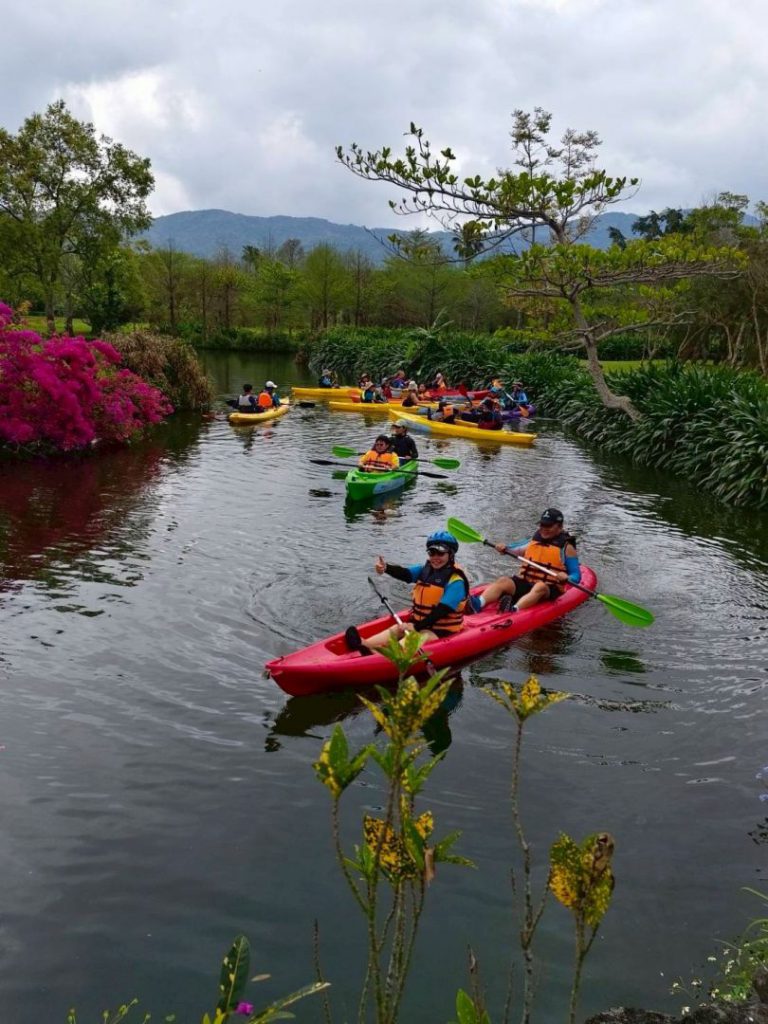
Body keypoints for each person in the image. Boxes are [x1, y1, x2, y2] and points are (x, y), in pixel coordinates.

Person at [345, 531, 470, 654]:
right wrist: (386, 568)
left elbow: (441, 611)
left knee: (417, 636)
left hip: (441, 630)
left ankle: (380, 656)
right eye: (432, 553)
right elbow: (405, 574)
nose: (435, 558)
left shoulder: (456, 581)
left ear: (451, 554)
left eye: (440, 553)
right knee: (397, 629)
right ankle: (364, 645)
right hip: (420, 623)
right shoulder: (425, 570)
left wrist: (415, 627)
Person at [469, 508, 580, 615]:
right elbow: (516, 549)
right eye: (542, 525)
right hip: (526, 582)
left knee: (540, 586)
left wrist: (567, 578)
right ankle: (478, 603)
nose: (544, 528)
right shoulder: (535, 539)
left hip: (548, 589)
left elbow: (576, 575)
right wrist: (504, 548)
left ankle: (514, 610)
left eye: (549, 526)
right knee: (503, 580)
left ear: (560, 527)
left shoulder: (567, 547)